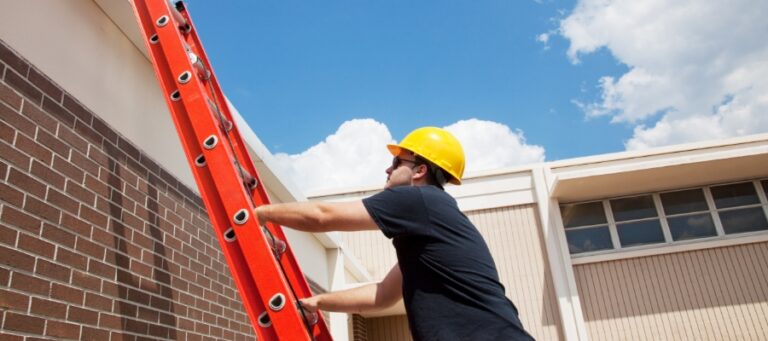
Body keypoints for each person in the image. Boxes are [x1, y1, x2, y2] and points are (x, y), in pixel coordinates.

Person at [254, 127, 534, 340]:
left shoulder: (420, 200)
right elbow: (382, 295)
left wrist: (259, 213)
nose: (388, 168)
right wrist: (319, 302)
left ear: (419, 171)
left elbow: (323, 216)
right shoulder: (429, 229)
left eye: (398, 162)